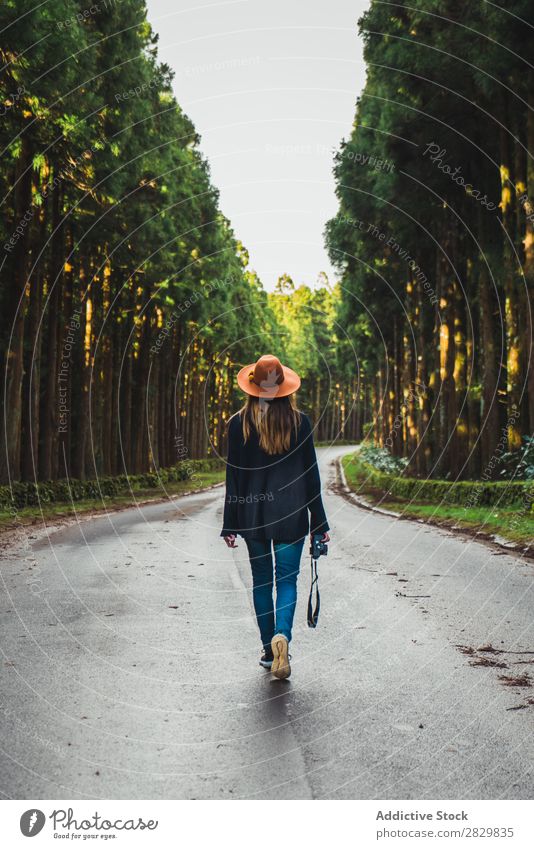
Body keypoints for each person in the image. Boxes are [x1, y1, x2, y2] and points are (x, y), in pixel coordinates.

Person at [221, 354, 330, 679]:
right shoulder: (301, 423)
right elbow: (311, 476)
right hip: (292, 517)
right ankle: (283, 634)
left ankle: (270, 649)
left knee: (261, 582)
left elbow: (234, 477)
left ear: (253, 387)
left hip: (253, 516)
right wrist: (319, 523)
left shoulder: (237, 424)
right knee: (286, 581)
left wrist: (230, 522)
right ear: (284, 387)